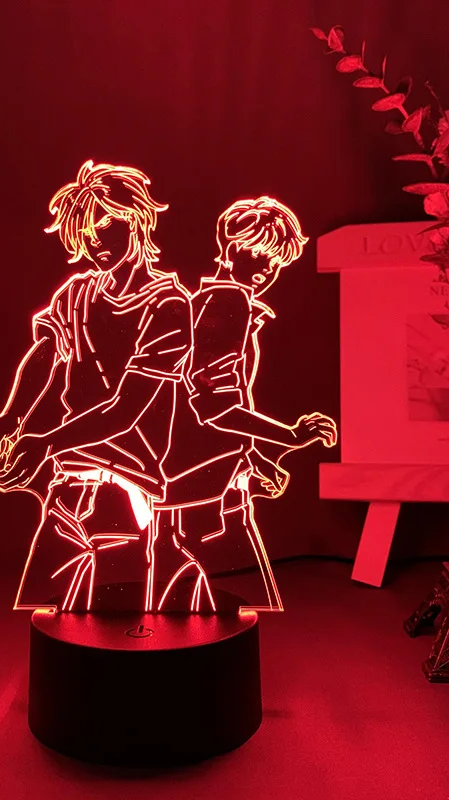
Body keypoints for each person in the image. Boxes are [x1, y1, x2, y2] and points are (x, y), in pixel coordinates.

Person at [0, 160, 192, 611]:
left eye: (106, 225)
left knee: (116, 617)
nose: (95, 242)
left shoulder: (169, 305)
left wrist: (43, 444)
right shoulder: (75, 293)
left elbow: (125, 409)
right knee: (48, 606)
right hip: (69, 480)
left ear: (136, 220)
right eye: (86, 232)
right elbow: (44, 356)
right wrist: (8, 422)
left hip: (128, 485)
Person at [155, 196, 337, 612]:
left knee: (194, 583)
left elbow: (211, 401)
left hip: (203, 472)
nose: (265, 267)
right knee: (225, 586)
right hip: (199, 477)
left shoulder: (209, 303)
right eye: (255, 251)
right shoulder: (227, 304)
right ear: (228, 246)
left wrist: (252, 459)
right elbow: (212, 406)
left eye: (274, 260)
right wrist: (289, 436)